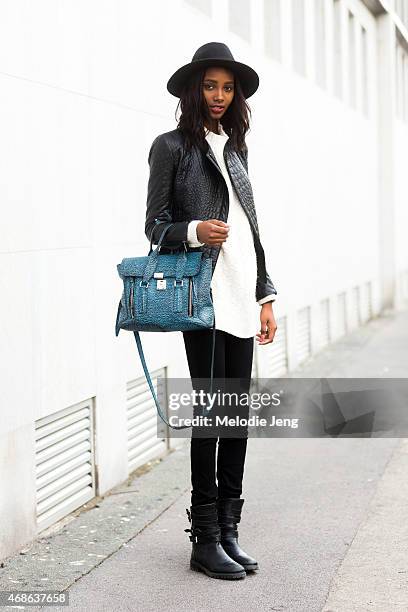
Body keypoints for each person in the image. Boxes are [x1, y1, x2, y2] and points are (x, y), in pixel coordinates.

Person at [144, 42, 278, 580]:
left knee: (236, 419)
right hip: (202, 300)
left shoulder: (236, 150)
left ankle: (229, 530)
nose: (219, 96)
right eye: (210, 85)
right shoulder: (171, 147)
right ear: (194, 90)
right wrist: (194, 231)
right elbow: (154, 227)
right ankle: (203, 539)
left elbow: (251, 232)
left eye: (227, 87)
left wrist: (266, 295)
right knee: (210, 417)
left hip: (242, 296)